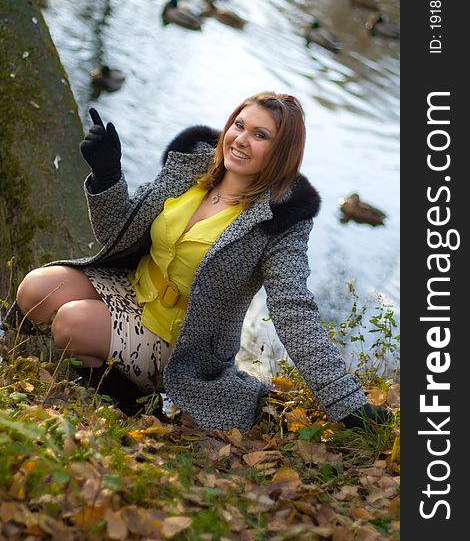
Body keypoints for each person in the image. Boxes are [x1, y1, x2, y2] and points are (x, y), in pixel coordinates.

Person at [6, 91, 390, 431]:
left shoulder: (279, 223)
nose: (241, 140)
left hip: (180, 340)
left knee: (70, 323)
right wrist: (107, 174)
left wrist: (346, 402)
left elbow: (294, 310)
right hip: (130, 287)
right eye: (239, 125)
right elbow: (115, 235)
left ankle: (133, 401)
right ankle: (81, 356)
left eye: (260, 136)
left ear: (280, 154)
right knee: (34, 289)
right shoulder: (190, 169)